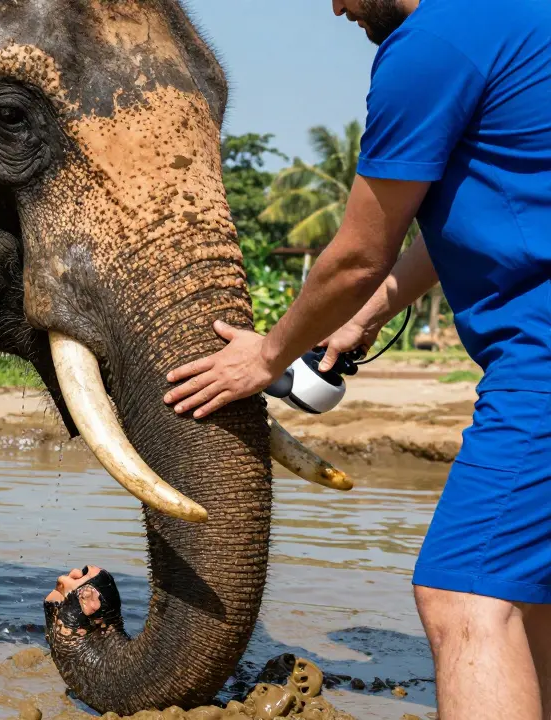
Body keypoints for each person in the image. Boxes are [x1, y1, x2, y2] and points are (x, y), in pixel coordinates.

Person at [163, 1, 551, 717]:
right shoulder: (517, 18)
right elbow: (475, 208)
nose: (335, 6)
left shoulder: (428, 44)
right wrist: (367, 316)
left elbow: (356, 254)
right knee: (525, 599)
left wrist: (267, 356)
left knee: (465, 596)